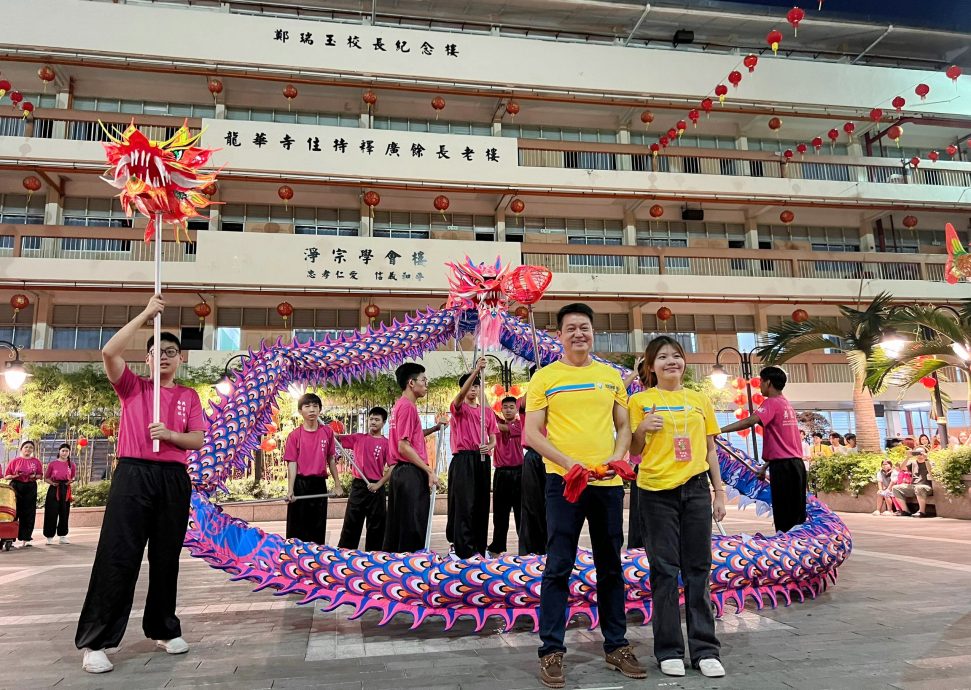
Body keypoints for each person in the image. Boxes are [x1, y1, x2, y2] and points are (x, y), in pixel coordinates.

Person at [76, 295, 206, 674]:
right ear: (146, 360)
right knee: (119, 555)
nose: (164, 356)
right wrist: (147, 314)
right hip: (133, 475)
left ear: (181, 359)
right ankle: (96, 641)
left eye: (171, 351)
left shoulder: (188, 396)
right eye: (156, 352)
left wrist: (168, 434)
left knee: (166, 557)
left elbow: (196, 440)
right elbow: (109, 351)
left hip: (172, 479)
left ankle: (164, 628)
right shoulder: (133, 388)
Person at [525, 303, 643, 689]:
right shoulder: (545, 378)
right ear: (559, 335)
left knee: (611, 565)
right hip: (565, 484)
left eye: (585, 328)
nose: (579, 333)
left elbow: (623, 425)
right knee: (558, 566)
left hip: (607, 483)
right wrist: (569, 462)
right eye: (571, 328)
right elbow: (532, 434)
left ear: (593, 334)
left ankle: (616, 645)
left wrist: (617, 457)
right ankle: (552, 651)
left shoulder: (611, 377)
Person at [631, 336, 726, 679]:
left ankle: (705, 649)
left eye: (676, 356)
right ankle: (669, 649)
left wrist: (720, 492)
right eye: (663, 357)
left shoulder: (699, 400)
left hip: (696, 489)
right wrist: (642, 428)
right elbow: (632, 449)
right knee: (665, 570)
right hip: (656, 492)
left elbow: (711, 449)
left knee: (699, 568)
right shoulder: (640, 401)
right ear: (651, 366)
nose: (671, 361)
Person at [720, 366, 806, 534]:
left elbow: (750, 421)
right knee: (796, 513)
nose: (759, 386)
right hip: (795, 465)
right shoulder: (785, 403)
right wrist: (765, 467)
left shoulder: (771, 403)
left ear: (768, 382)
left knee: (784, 514)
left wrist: (719, 430)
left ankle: (786, 551)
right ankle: (796, 550)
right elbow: (783, 443)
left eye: (760, 381)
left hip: (784, 468)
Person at [383, 363, 445, 553]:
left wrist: (435, 428)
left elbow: (412, 437)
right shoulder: (407, 407)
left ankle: (399, 570)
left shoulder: (400, 405)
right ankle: (411, 571)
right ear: (411, 383)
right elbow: (403, 446)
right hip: (410, 474)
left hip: (401, 473)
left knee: (400, 527)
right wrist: (428, 471)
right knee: (413, 527)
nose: (426, 384)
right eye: (423, 380)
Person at [446, 358, 497, 559]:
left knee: (481, 503)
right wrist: (476, 371)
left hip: (482, 459)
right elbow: (458, 399)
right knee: (464, 504)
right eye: (470, 386)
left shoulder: (487, 412)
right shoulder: (459, 409)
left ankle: (479, 546)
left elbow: (493, 438)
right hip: (463, 459)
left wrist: (489, 446)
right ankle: (463, 549)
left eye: (477, 386)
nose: (473, 390)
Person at [284, 393, 344, 543]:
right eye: (307, 406)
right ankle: (295, 559)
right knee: (297, 528)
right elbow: (292, 463)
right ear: (300, 411)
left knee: (317, 526)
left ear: (320, 410)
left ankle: (315, 561)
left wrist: (338, 484)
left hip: (319, 485)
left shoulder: (327, 432)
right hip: (300, 484)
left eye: (315, 406)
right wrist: (290, 490)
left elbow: (330, 459)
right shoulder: (294, 435)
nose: (311, 410)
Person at [336, 407, 391, 551]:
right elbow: (337, 437)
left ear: (383, 422)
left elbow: (393, 467)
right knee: (351, 523)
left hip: (376, 488)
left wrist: (379, 484)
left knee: (377, 526)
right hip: (359, 486)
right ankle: (344, 555)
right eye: (371, 419)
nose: (373, 422)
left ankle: (374, 559)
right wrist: (327, 430)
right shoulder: (358, 438)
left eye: (377, 419)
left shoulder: (387, 444)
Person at [487, 396, 523, 557]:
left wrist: (493, 423)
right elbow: (487, 410)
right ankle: (496, 547)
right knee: (500, 514)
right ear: (501, 409)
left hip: (520, 473)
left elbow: (502, 428)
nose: (508, 409)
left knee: (521, 513)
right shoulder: (496, 423)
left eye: (511, 407)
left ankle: (526, 547)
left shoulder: (520, 424)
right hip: (501, 474)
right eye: (505, 407)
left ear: (516, 410)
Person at [519, 387, 547, 556]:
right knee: (531, 503)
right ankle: (530, 548)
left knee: (551, 502)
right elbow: (522, 403)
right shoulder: (526, 402)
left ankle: (549, 546)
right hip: (533, 455)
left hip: (552, 456)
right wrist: (538, 381)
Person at [3, 440, 43, 548]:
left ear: (33, 450)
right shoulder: (14, 461)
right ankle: (9, 538)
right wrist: (15, 476)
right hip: (16, 486)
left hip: (30, 487)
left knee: (29, 512)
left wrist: (34, 476)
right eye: (26, 447)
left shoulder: (36, 462)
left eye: (31, 447)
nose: (28, 449)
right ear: (21, 449)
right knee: (14, 512)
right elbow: (6, 476)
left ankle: (26, 538)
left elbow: (40, 475)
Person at [623, 357, 644, 550]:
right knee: (640, 515)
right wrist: (634, 373)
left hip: (670, 467)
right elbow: (617, 391)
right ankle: (638, 551)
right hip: (643, 467)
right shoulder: (636, 400)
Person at [43, 443, 76, 544]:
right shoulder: (52, 464)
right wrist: (52, 483)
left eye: (67, 451)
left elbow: (73, 477)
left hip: (65, 489)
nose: (65, 453)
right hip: (54, 488)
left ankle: (62, 536)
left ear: (69, 452)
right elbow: (46, 478)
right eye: (63, 451)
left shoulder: (72, 464)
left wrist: (70, 481)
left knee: (64, 512)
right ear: (59, 451)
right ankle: (49, 537)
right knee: (51, 512)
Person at [892, 447, 934, 518]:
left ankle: (922, 512)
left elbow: (931, 472)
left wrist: (926, 459)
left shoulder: (930, 462)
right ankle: (905, 511)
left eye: (921, 452)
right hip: (914, 486)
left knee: (919, 487)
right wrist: (908, 457)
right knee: (896, 488)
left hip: (926, 487)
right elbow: (901, 468)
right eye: (917, 453)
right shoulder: (912, 463)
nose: (919, 454)